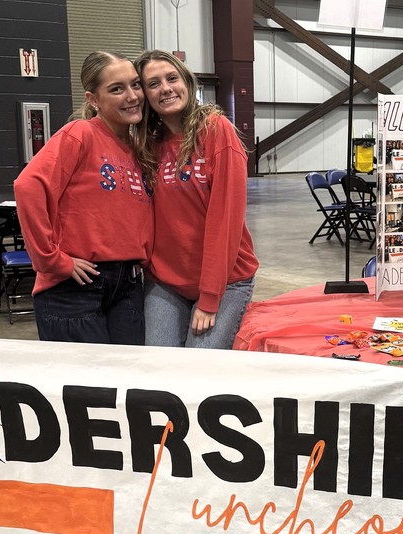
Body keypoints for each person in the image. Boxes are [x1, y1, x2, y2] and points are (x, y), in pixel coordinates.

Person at [14, 51, 150, 344]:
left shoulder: (137, 148)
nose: (132, 96)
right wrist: (51, 260)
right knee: (87, 386)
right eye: (117, 89)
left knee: (129, 379)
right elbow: (28, 186)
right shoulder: (81, 133)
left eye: (135, 85)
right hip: (76, 285)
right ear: (93, 99)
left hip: (127, 284)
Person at [134, 50, 259, 349]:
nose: (165, 88)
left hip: (225, 281)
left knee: (197, 367)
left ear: (187, 83)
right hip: (166, 281)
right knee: (159, 367)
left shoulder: (216, 131)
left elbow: (225, 221)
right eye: (153, 83)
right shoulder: (147, 143)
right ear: (145, 95)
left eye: (171, 78)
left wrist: (210, 295)